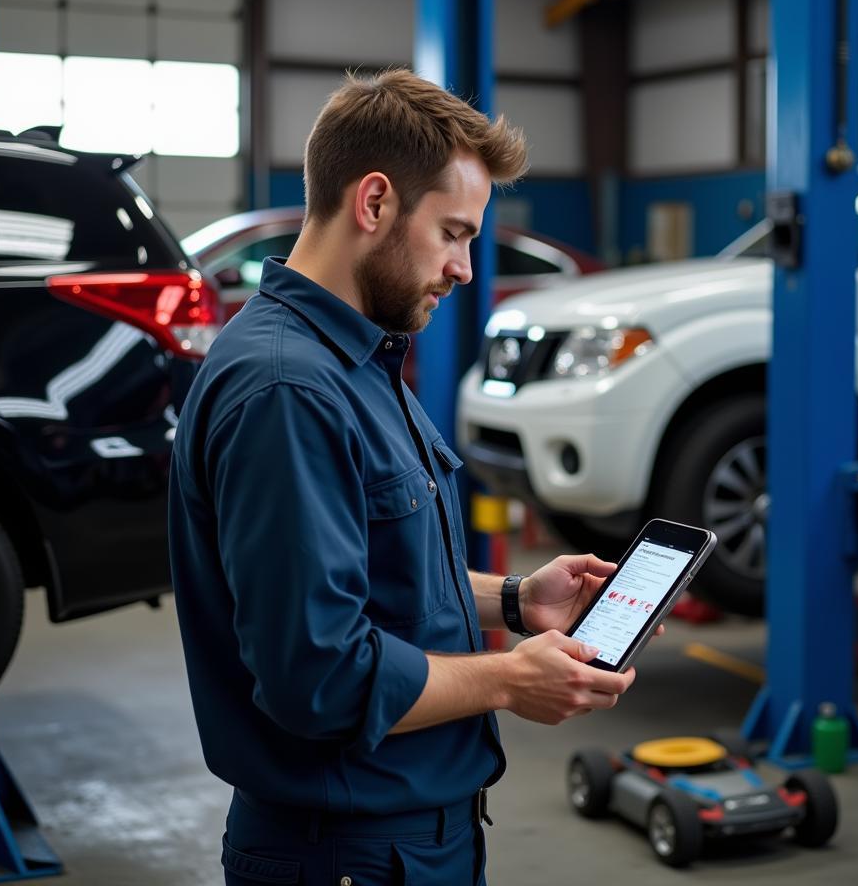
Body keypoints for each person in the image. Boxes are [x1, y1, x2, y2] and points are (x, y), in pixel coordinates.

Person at [168, 69, 640, 886]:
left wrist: (520, 601)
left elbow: (374, 576)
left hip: (404, 841)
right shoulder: (287, 390)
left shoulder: (354, 362)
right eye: (454, 232)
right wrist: (507, 681)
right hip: (349, 853)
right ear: (375, 202)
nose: (463, 268)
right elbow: (317, 676)